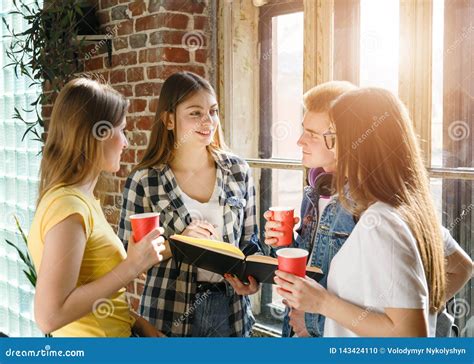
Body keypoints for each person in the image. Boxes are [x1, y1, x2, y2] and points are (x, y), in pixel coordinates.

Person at [264, 81, 472, 337]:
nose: (330, 146)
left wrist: (320, 306)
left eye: (331, 138)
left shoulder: (381, 220)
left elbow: (410, 336)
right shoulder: (398, 207)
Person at [118, 71, 261, 337]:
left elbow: (251, 242)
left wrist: (251, 280)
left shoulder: (238, 171)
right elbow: (127, 262)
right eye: (195, 113)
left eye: (213, 111)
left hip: (232, 314)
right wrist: (179, 244)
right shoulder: (145, 180)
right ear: (169, 120)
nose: (208, 121)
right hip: (168, 313)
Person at [28, 78, 166, 337]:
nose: (125, 142)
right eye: (121, 130)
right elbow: (49, 316)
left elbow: (99, 299)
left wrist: (146, 330)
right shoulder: (68, 207)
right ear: (97, 135)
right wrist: (133, 266)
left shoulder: (81, 200)